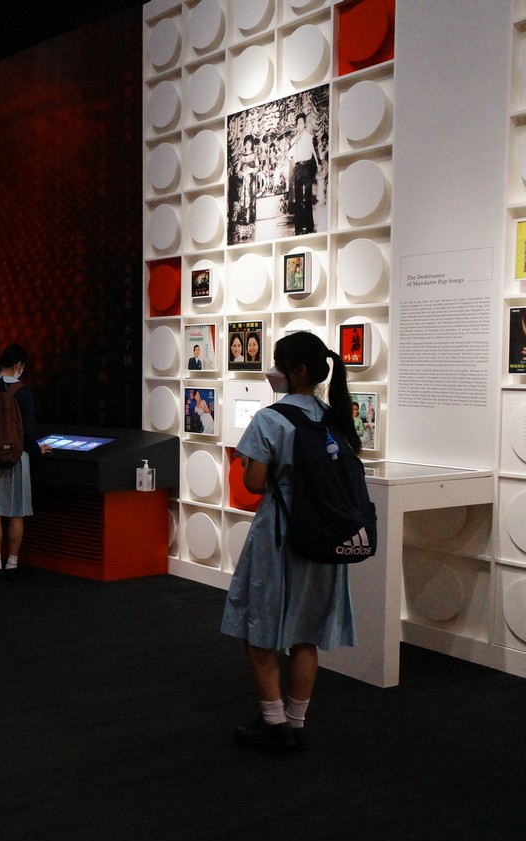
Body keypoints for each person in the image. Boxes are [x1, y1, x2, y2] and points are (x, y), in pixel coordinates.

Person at [220, 330, 356, 752]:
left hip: (279, 533)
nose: (272, 371)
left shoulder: (270, 419)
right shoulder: (334, 416)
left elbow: (254, 483)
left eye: (278, 364)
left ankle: (273, 719)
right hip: (324, 534)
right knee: (306, 632)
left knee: (259, 626)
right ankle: (297, 722)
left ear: (297, 371)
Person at [0, 343, 50, 580]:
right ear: (18, 365)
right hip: (16, 458)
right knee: (16, 512)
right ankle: (12, 563)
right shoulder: (23, 392)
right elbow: (28, 433)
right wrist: (37, 449)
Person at [288, 112, 322, 235]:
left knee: (307, 198)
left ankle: (309, 227)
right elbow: (289, 155)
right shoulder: (294, 139)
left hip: (307, 167)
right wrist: (295, 142)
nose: (300, 125)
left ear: (305, 124)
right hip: (298, 168)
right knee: (298, 199)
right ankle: (298, 228)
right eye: (298, 124)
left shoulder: (309, 137)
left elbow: (314, 151)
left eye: (301, 123)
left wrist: (318, 163)